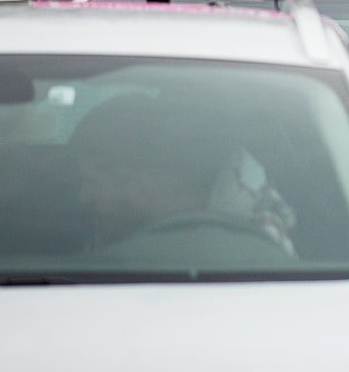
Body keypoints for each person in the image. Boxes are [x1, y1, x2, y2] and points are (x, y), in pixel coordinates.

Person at [71, 93, 296, 255]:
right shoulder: (115, 220)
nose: (84, 197)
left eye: (91, 182)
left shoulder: (256, 224)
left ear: (146, 177)